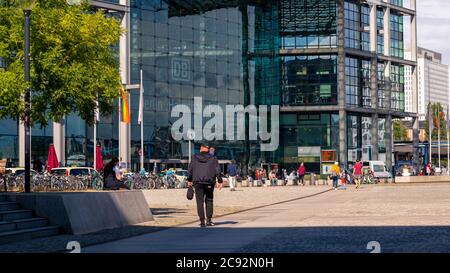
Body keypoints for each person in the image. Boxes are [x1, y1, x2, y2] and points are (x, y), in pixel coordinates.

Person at [187, 144, 223, 227]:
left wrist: (189, 180)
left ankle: (202, 221)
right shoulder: (213, 158)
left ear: (200, 149)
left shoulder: (194, 157)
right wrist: (220, 181)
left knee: (199, 202)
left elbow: (190, 170)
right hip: (209, 182)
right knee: (209, 200)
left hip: (197, 182)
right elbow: (217, 170)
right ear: (208, 149)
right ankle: (209, 220)